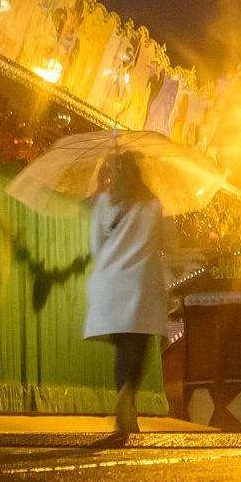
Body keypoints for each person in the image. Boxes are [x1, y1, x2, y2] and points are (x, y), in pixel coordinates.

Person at [86, 150, 168, 433]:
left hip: (109, 284)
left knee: (123, 346)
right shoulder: (152, 204)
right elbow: (163, 241)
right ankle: (128, 395)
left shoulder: (104, 203)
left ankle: (126, 401)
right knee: (139, 343)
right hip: (142, 282)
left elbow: (95, 247)